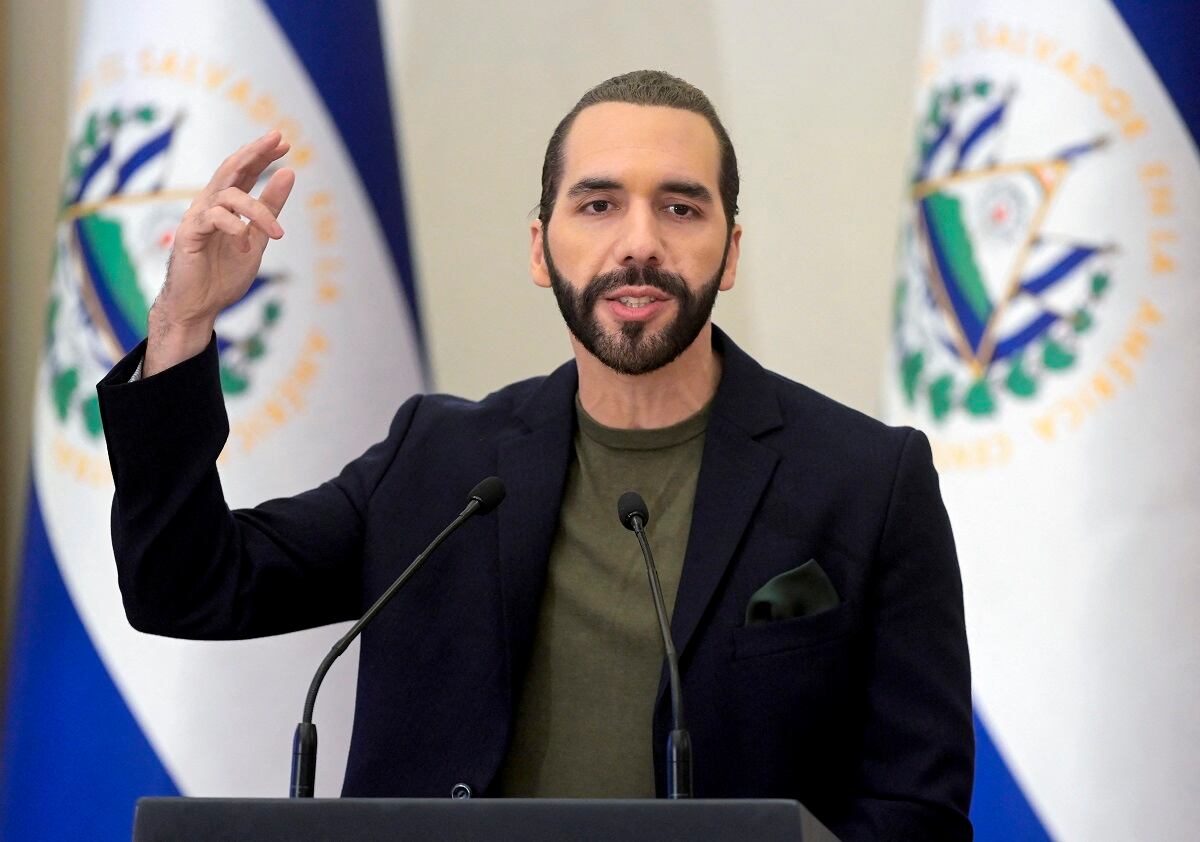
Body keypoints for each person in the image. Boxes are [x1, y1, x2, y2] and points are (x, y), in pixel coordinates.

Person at [98, 70, 974, 840]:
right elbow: (186, 583)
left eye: (680, 206)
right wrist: (181, 326)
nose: (638, 242)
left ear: (730, 252)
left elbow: (917, 809)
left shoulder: (867, 482)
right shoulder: (438, 462)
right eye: (598, 204)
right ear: (539, 248)